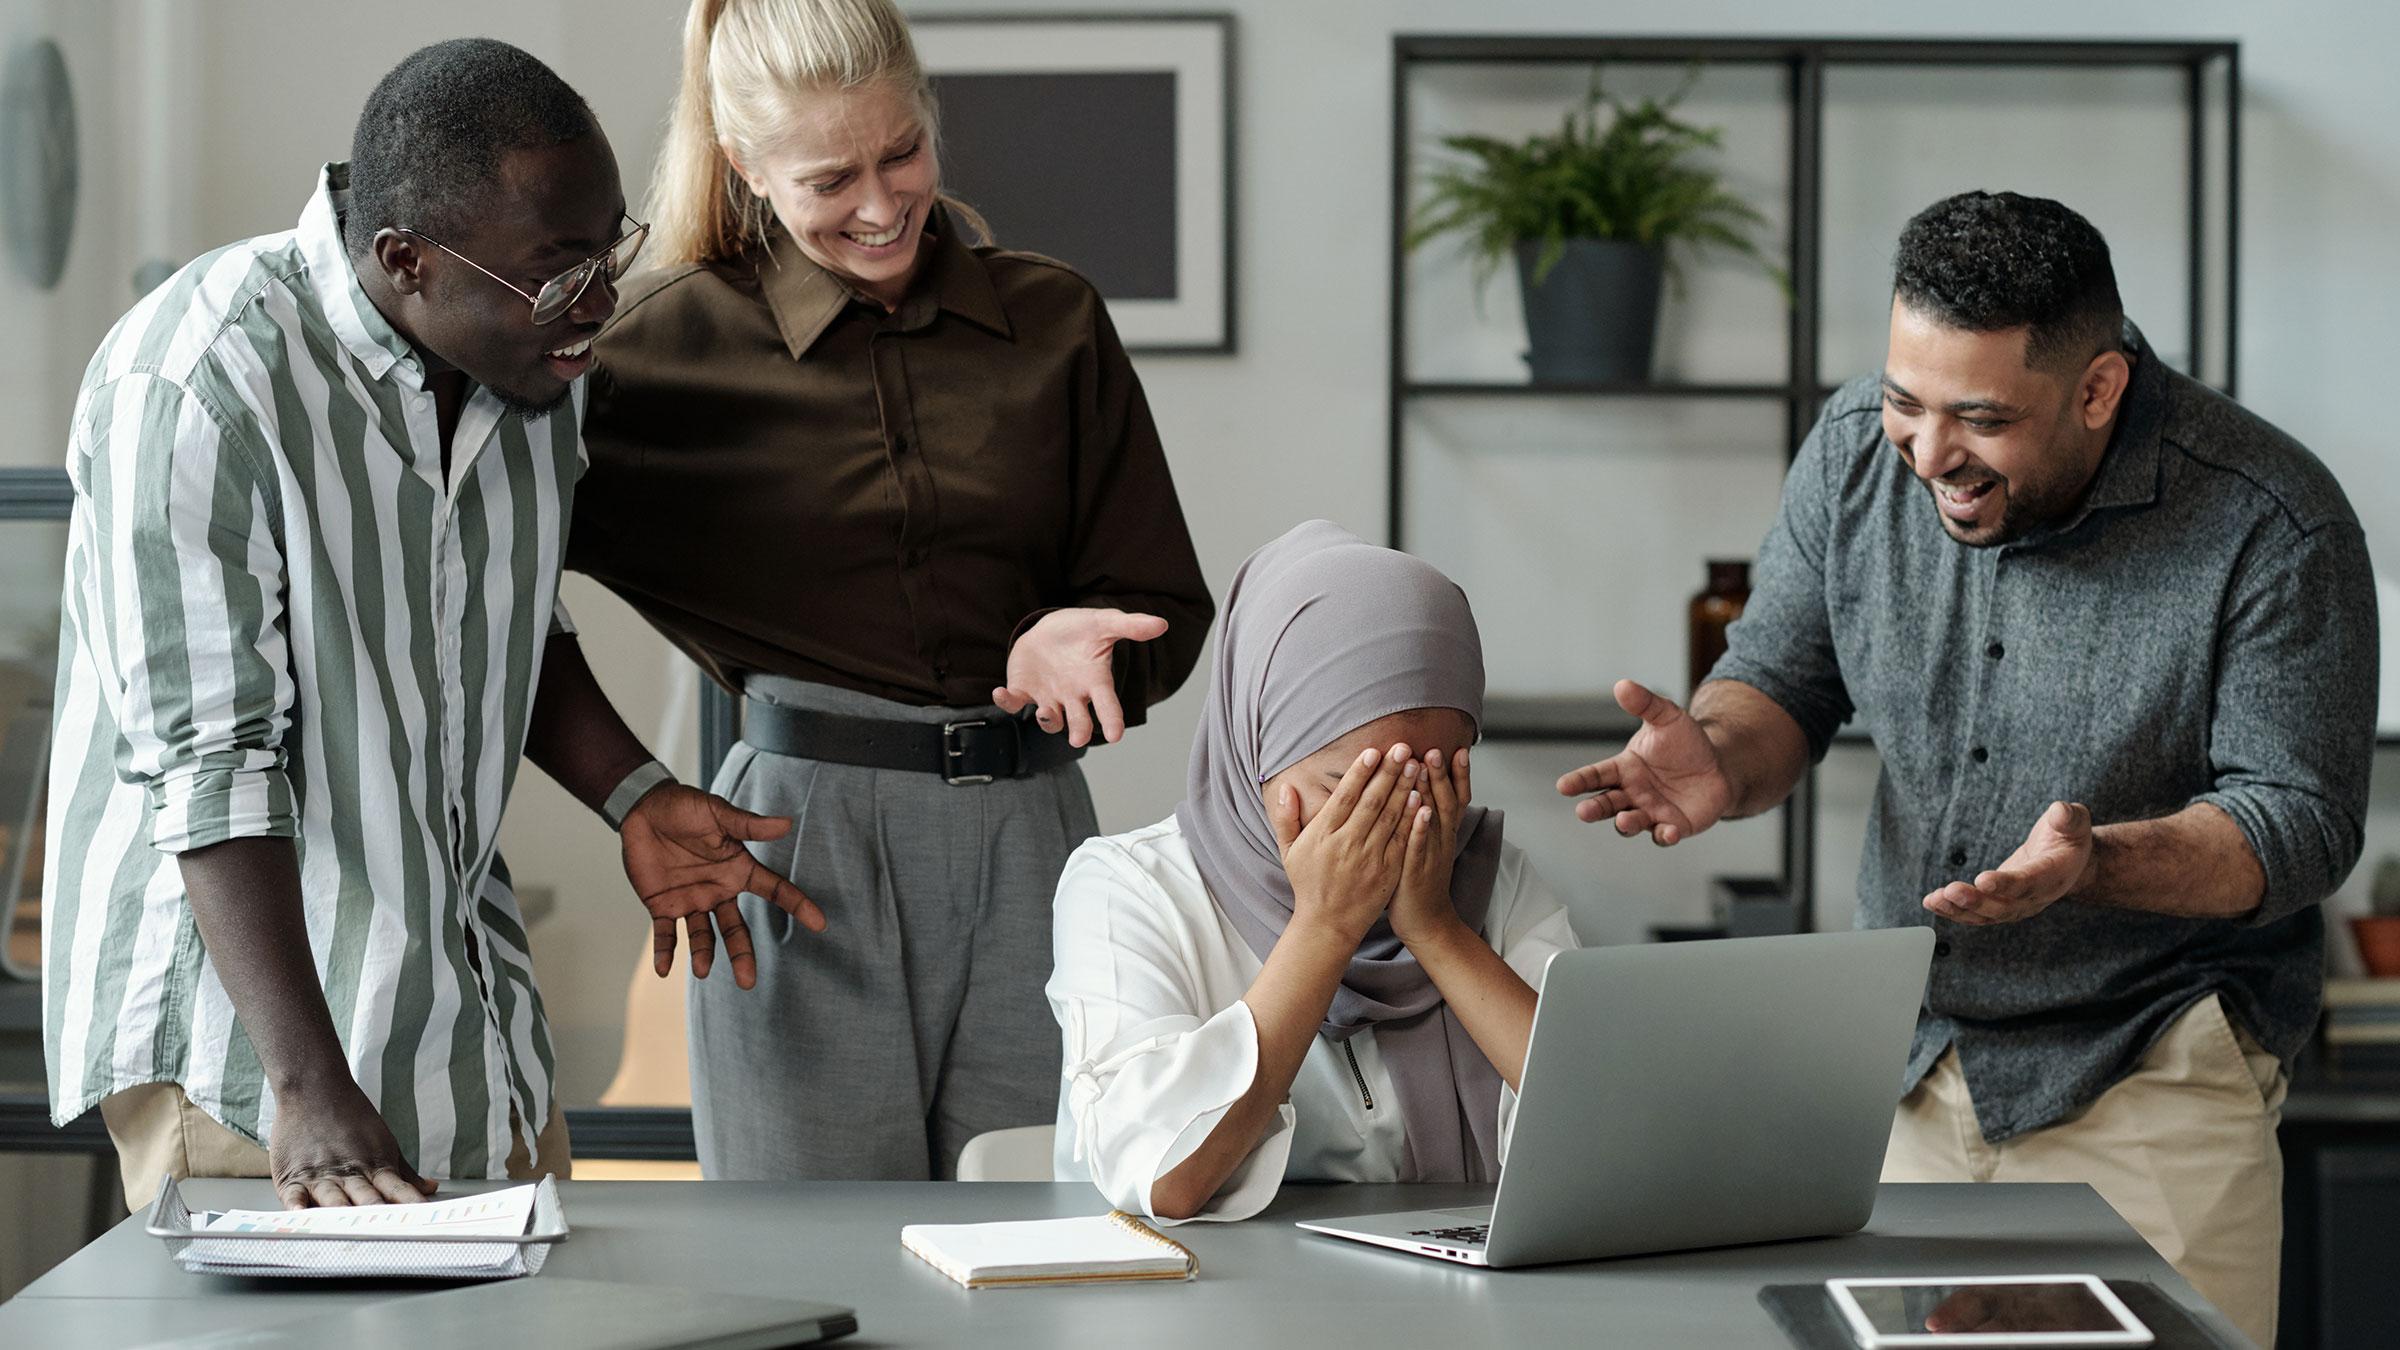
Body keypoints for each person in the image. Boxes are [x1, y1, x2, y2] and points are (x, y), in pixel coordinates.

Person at [1556, 191, 2373, 1347]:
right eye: (1905, 400)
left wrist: (2097, 864)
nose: (1930, 453)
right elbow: (1782, 676)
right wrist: (1724, 757)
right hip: (1903, 1075)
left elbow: (2297, 825)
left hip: (2148, 1076)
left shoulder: (2273, 523)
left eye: (1981, 418)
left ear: (2099, 389)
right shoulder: (1854, 452)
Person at [43, 38, 811, 1211]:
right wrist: (305, 1085)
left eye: (610, 252)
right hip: (256, 1064)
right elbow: (212, 769)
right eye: (560, 271)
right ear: (405, 259)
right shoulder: (198, 381)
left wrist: (635, 794)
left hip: (472, 1018)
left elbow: (505, 616)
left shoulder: (531, 365)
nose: (598, 305)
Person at [570, 0, 1213, 1182]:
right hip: (797, 849)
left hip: (1034, 840)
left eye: (900, 152)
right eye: (829, 178)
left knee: (1039, 1245)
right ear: (749, 167)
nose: (880, 204)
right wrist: (629, 789)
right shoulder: (650, 352)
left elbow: (1160, 597)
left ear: (928, 116)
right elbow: (478, 577)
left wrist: (1085, 653)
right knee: (813, 1270)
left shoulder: (1053, 320)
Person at [1050, 521, 1579, 1223]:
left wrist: (1439, 932)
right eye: (1352, 790)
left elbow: (1604, 1132)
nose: (1399, 820)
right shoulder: (1128, 889)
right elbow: (1168, 1176)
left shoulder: (1494, 884)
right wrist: (1326, 926)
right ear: (1255, 748)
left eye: (1439, 781)